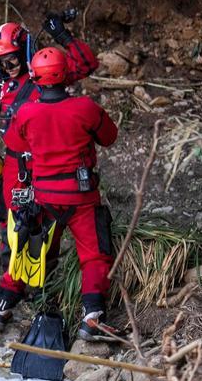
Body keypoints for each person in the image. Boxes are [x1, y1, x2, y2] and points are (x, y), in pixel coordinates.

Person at [0, 13, 98, 332]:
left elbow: (86, 64)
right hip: (15, 164)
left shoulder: (42, 72)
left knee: (42, 224)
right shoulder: (0, 84)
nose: (10, 67)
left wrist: (63, 36)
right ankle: (13, 287)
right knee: (14, 219)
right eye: (3, 63)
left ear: (24, 51)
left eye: (12, 60)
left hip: (45, 163)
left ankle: (34, 286)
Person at [7, 46, 119, 341]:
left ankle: (7, 303)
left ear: (35, 77)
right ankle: (92, 316)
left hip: (44, 197)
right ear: (66, 74)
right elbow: (109, 137)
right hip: (81, 197)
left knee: (35, 249)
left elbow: (16, 145)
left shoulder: (26, 112)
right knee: (95, 256)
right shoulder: (85, 108)